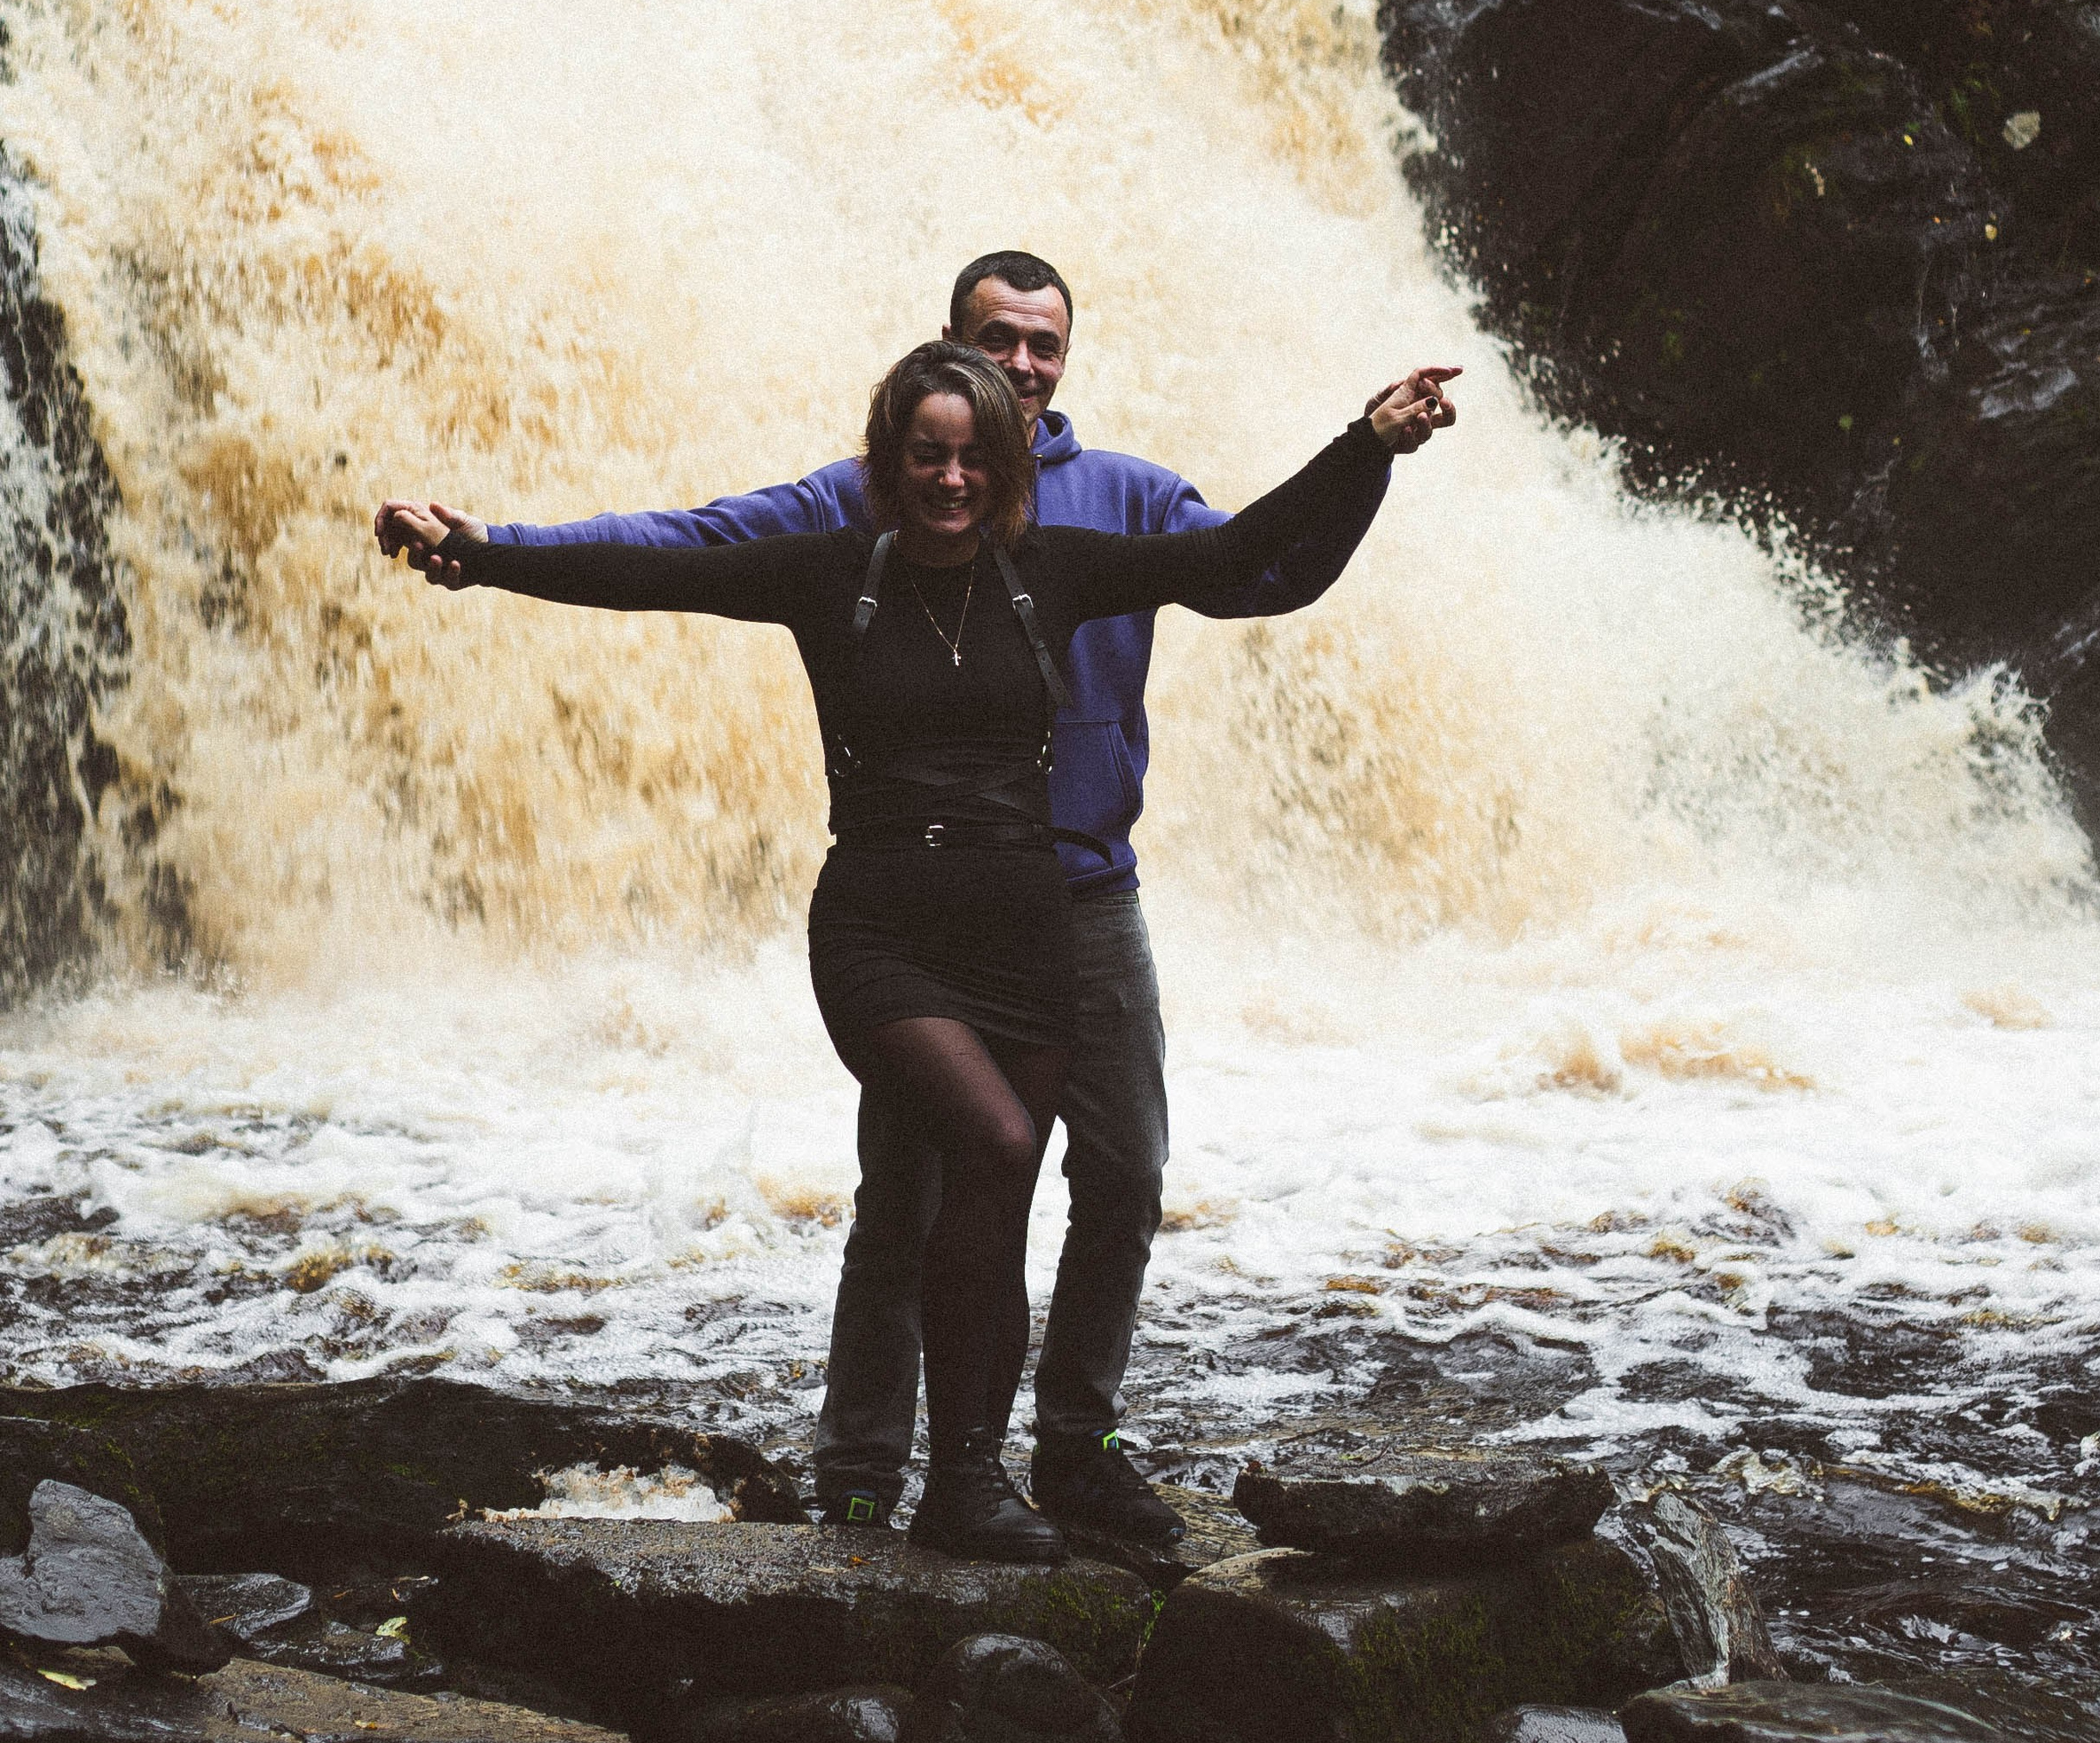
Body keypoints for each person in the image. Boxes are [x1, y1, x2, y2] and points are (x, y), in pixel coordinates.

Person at [376, 250, 1449, 1555]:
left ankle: (1053, 1457)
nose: (1015, 377)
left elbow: (1251, 562)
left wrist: (1369, 448)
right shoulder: (846, 530)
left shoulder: (1096, 524)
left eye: (1042, 349)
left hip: (1064, 908)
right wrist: (489, 551)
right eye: (996, 344)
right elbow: (677, 555)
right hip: (903, 916)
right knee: (921, 1190)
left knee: (1100, 1180)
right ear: (940, 368)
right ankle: (870, 1469)